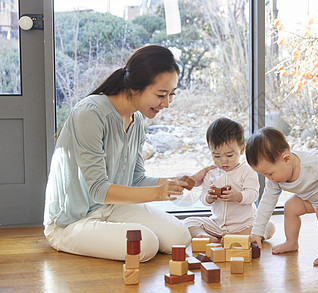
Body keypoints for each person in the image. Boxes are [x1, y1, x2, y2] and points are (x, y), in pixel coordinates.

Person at [44, 45, 214, 262]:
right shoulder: (90, 114)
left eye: (171, 95)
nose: (167, 104)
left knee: (179, 237)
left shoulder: (138, 119)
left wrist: (183, 180)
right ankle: (68, 237)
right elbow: (97, 190)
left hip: (113, 208)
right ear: (135, 88)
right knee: (145, 244)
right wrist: (159, 193)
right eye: (161, 95)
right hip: (72, 221)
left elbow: (136, 179)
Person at [245, 127, 318, 266]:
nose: (269, 179)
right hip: (311, 199)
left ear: (287, 159)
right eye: (264, 175)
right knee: (290, 207)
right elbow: (266, 203)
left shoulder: (312, 162)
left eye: (270, 174)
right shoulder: (275, 180)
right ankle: (291, 242)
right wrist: (257, 232)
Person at [183, 118, 275, 243]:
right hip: (217, 224)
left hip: (244, 224)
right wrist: (208, 198)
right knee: (189, 222)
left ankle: (239, 236)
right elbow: (203, 196)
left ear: (242, 150)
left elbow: (253, 194)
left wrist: (238, 196)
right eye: (216, 156)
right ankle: (205, 236)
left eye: (230, 155)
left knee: (269, 226)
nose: (223, 161)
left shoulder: (247, 170)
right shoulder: (211, 173)